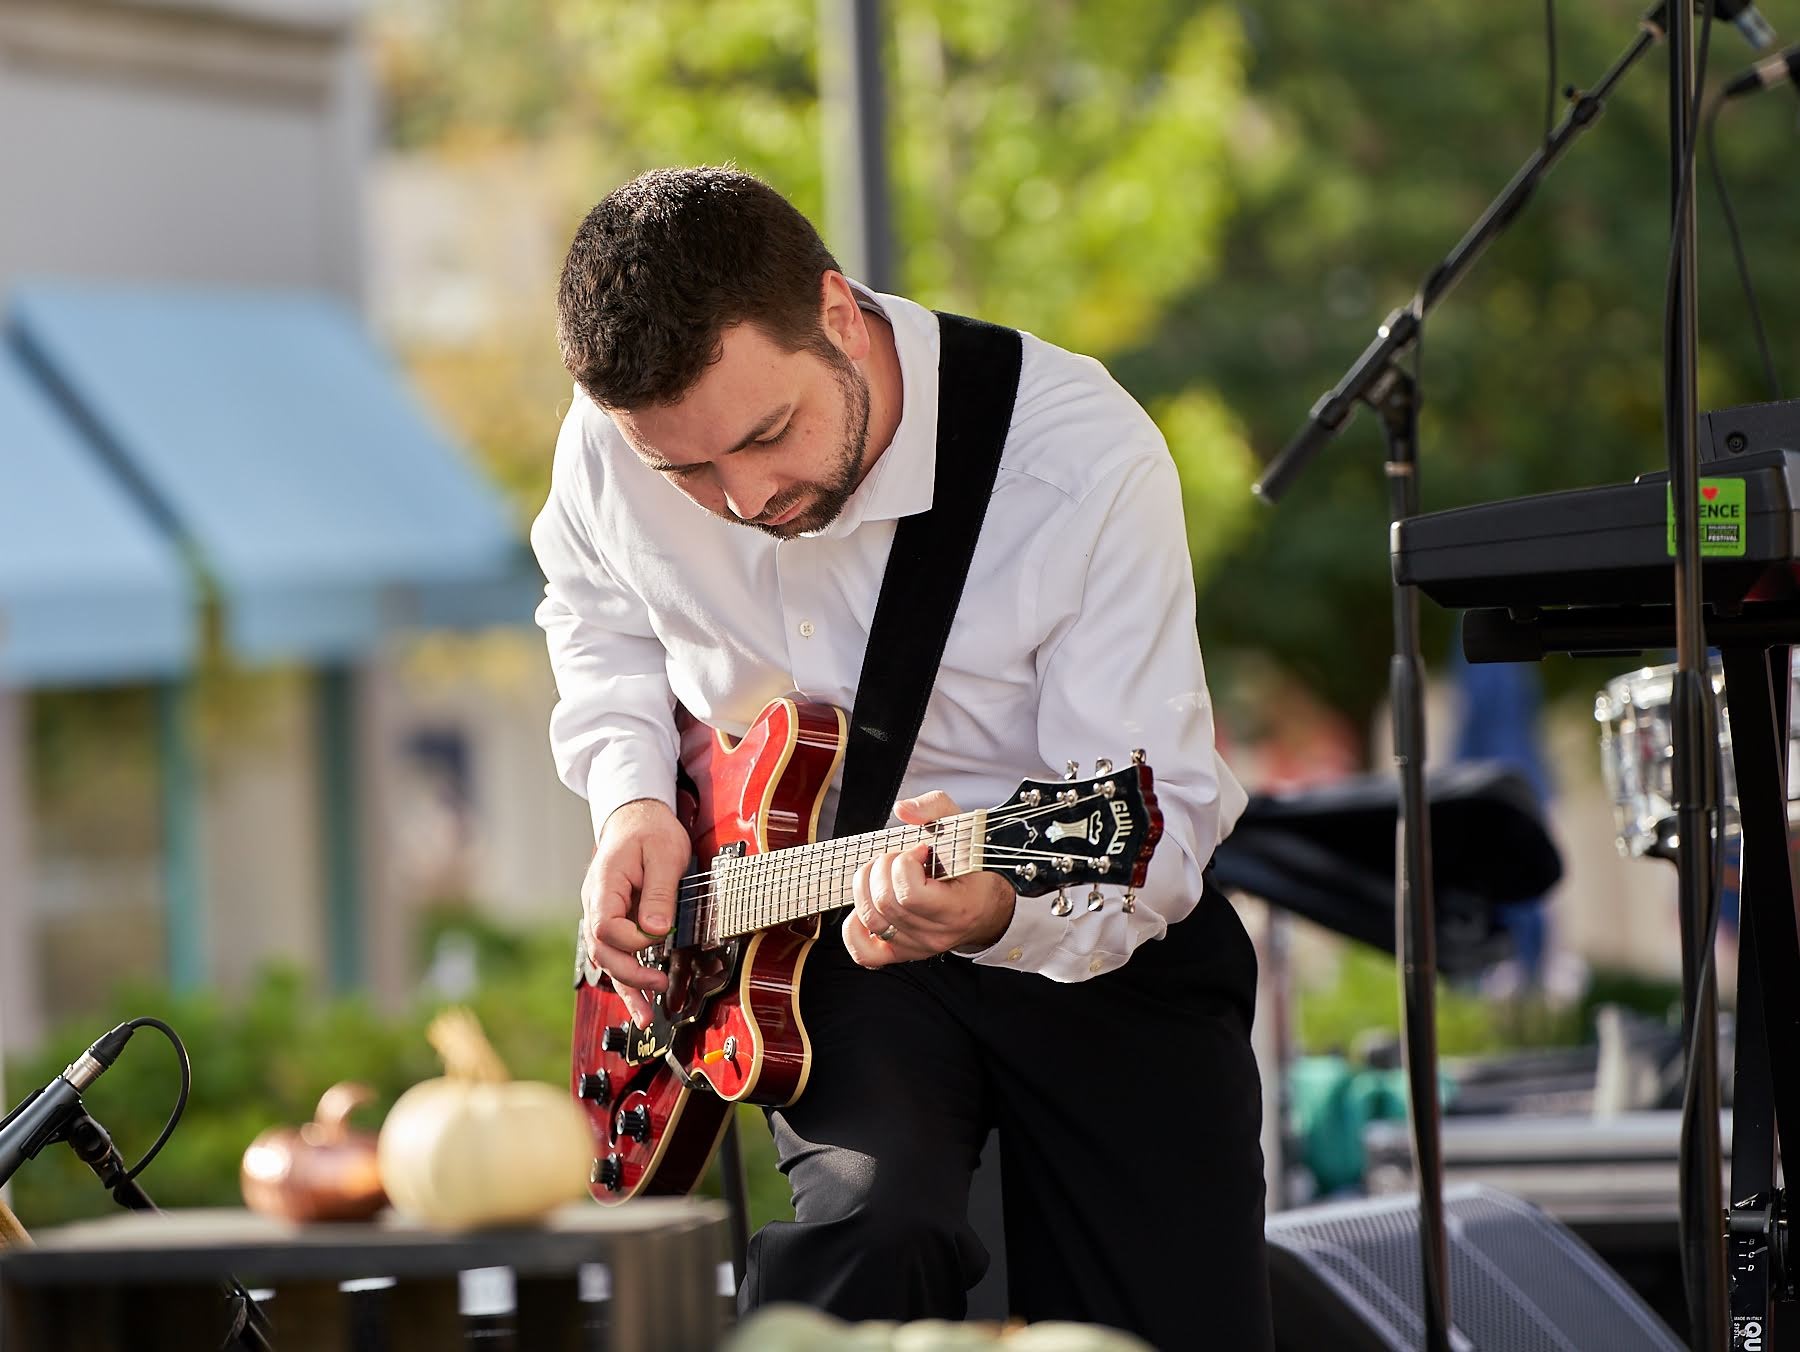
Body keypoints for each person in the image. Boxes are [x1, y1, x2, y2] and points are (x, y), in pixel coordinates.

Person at [532, 166, 1272, 1348]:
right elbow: (594, 613)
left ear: (837, 313)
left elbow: (1157, 816)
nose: (742, 498)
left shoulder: (1077, 459)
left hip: (1092, 916)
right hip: (814, 940)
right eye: (688, 474)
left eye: (767, 434)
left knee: (1165, 1324)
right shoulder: (614, 439)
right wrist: (630, 798)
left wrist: (996, 906)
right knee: (867, 1239)